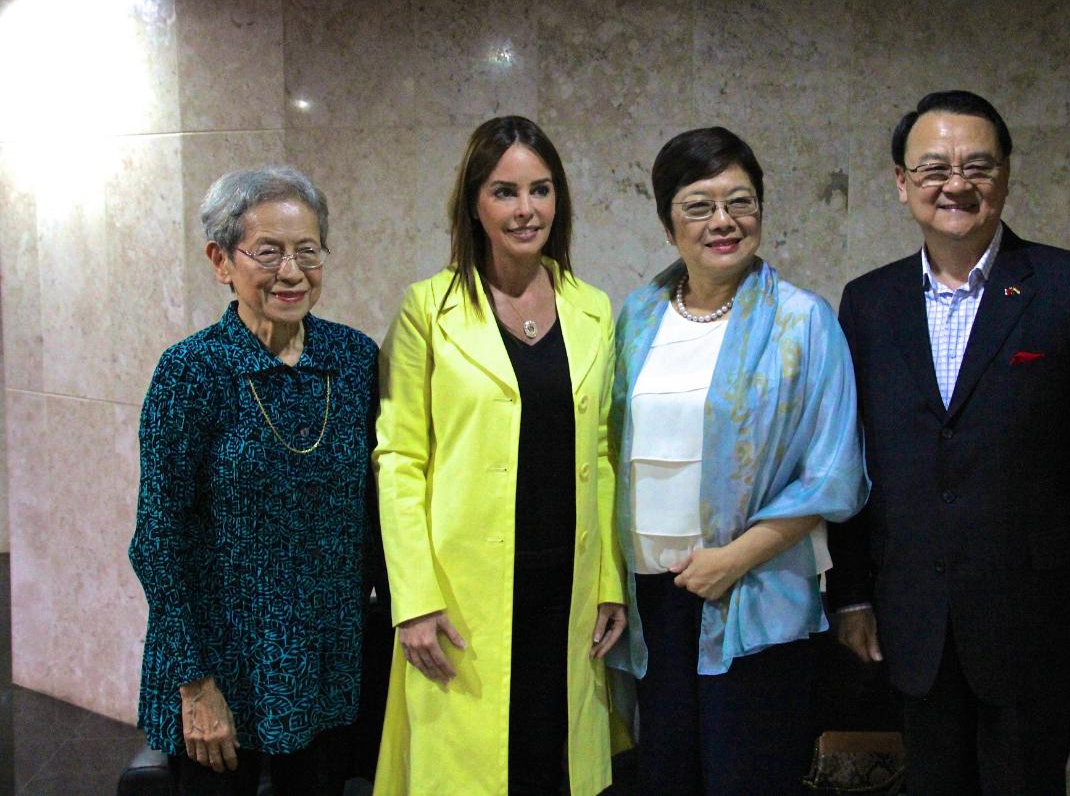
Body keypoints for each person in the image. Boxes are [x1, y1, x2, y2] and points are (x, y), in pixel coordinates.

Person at [827, 90, 1070, 795]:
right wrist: (850, 597)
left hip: (1032, 619)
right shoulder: (869, 302)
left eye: (978, 165)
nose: (956, 184)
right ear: (901, 182)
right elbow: (848, 457)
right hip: (913, 620)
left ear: (1004, 177)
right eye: (934, 167)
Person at [608, 126, 871, 795]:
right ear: (669, 221)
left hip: (755, 592)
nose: (723, 221)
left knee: (747, 776)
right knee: (664, 775)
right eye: (699, 204)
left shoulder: (803, 322)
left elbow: (835, 473)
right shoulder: (634, 318)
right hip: (652, 603)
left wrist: (733, 557)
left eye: (741, 201)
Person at [372, 116, 627, 795]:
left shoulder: (593, 309)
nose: (525, 210)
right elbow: (399, 458)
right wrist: (414, 599)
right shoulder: (429, 309)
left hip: (564, 591)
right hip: (463, 595)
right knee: (469, 770)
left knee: (552, 763)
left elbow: (602, 452)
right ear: (474, 204)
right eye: (504, 191)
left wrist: (607, 579)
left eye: (540, 190)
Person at [129, 166, 382, 796]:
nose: (290, 271)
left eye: (307, 250)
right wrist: (195, 685)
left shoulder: (352, 360)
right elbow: (158, 539)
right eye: (267, 251)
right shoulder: (191, 371)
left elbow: (377, 511)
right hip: (221, 666)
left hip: (325, 660)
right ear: (222, 260)